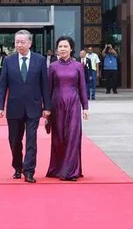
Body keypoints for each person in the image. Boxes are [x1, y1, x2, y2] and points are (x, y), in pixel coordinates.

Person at [0, 30, 51, 183]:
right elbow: (2, 85)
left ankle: (29, 171)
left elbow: (44, 85)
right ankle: (17, 166)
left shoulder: (40, 60)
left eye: (22, 42)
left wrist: (47, 106)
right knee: (14, 140)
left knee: (31, 140)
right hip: (14, 107)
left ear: (30, 43)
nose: (19, 45)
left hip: (33, 107)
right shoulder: (9, 60)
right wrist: (0, 106)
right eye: (17, 42)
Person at [46, 37, 89, 181]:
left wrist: (86, 107)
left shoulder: (78, 66)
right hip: (56, 104)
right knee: (58, 138)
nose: (62, 49)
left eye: (66, 46)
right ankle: (58, 168)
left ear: (71, 48)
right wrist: (46, 108)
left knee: (73, 136)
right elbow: (48, 89)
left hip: (73, 104)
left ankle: (71, 171)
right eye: (60, 46)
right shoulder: (53, 66)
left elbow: (82, 87)